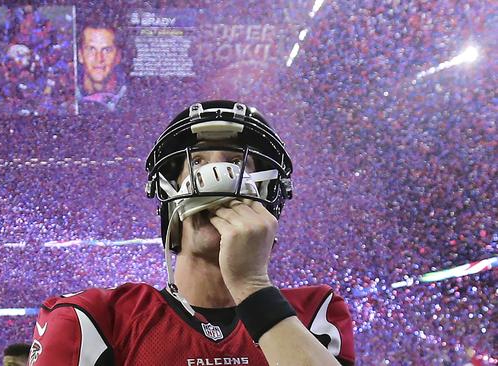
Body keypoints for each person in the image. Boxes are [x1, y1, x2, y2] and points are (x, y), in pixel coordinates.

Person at [29, 100, 355, 365]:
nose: (219, 177)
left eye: (235, 163)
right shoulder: (95, 319)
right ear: (170, 198)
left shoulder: (313, 312)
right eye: (198, 162)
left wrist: (252, 288)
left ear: (268, 200)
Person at [76, 22, 126, 112]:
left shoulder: (134, 98)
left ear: (118, 56)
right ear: (80, 55)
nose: (99, 58)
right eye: (91, 49)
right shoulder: (68, 97)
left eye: (107, 50)